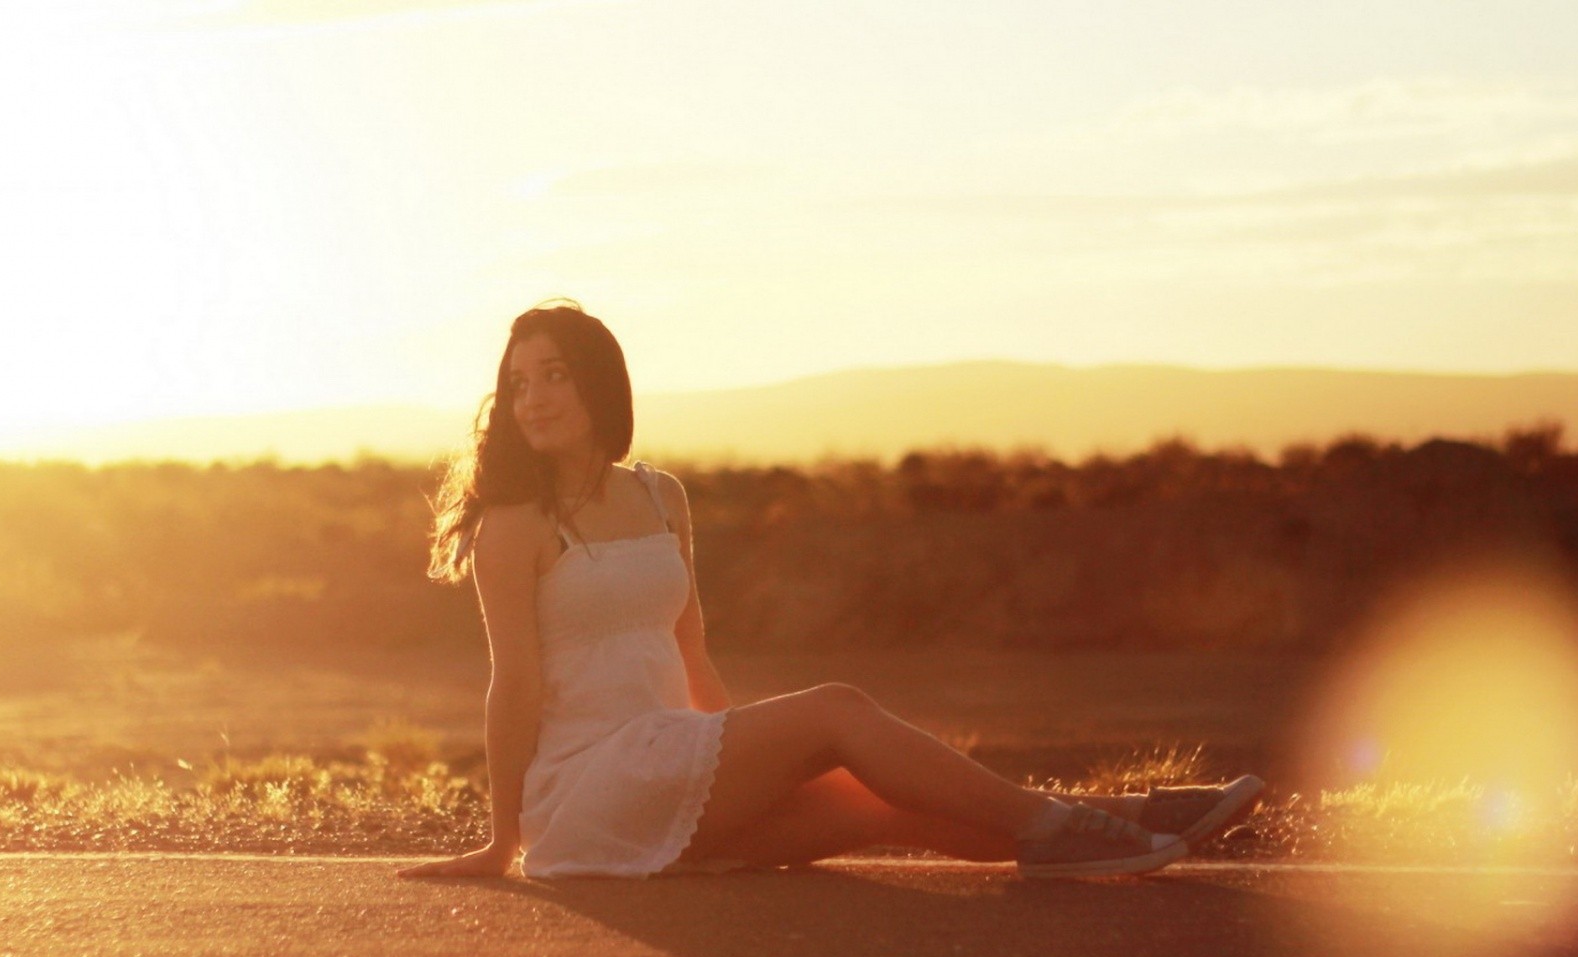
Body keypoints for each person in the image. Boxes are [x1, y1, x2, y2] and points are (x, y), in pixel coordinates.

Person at [399, 302, 1263, 882]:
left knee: (885, 807)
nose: (531, 399)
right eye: (516, 384)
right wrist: (502, 840)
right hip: (589, 793)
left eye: (551, 375)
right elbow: (510, 686)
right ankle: (1072, 822)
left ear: (598, 380)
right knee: (837, 710)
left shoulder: (662, 495)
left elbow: (690, 648)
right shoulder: (513, 527)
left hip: (670, 766)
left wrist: (735, 752)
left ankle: (1129, 828)